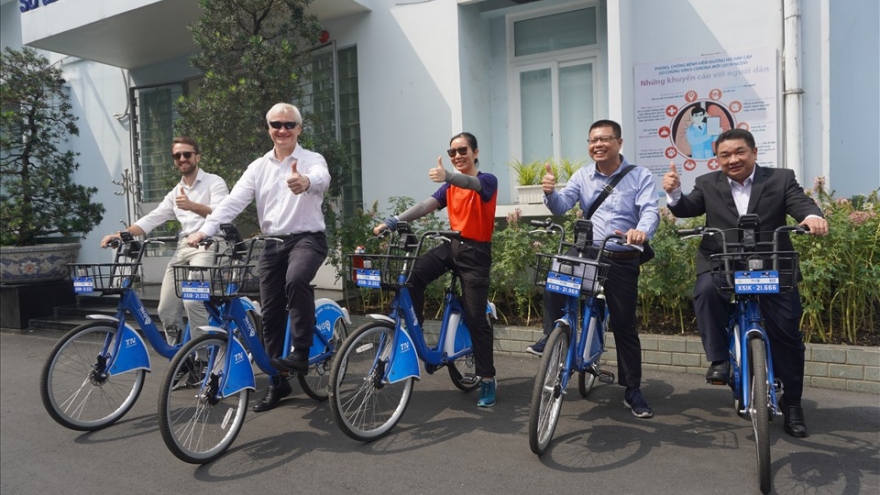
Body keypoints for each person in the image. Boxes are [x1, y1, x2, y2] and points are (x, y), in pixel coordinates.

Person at [662, 128, 829, 438]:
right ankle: (720, 360)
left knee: (787, 335)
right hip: (722, 262)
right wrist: (673, 194)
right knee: (706, 291)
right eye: (724, 155)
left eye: (739, 152)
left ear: (753, 152)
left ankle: (792, 403)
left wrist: (812, 218)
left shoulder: (779, 179)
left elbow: (800, 204)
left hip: (771, 265)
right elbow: (686, 209)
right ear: (717, 159)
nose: (732, 159)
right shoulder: (707, 183)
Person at [187, 103, 331, 413]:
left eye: (289, 124)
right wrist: (205, 230)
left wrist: (305, 182)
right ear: (268, 129)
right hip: (270, 244)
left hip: (307, 239)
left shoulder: (311, 160)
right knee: (270, 312)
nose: (283, 129)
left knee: (296, 280)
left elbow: (321, 178)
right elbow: (232, 202)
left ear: (299, 129)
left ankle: (302, 352)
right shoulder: (258, 166)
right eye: (276, 124)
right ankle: (278, 383)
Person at [528, 119, 660, 419]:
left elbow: (650, 210)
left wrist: (641, 231)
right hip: (587, 251)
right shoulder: (583, 175)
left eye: (604, 139)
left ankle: (632, 390)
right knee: (554, 279)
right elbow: (562, 206)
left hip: (621, 256)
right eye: (592, 140)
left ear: (619, 143)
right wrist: (549, 193)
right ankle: (553, 337)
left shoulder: (639, 175)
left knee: (625, 324)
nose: (597, 145)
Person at [373, 132, 499, 407]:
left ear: (475, 152)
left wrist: (448, 176)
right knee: (413, 276)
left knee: (476, 317)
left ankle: (487, 378)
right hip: (450, 246)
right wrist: (393, 221)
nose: (457, 156)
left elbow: (470, 182)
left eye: (462, 150)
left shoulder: (487, 181)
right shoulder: (448, 187)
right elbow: (424, 206)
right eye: (452, 152)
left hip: (476, 254)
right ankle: (415, 335)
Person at [100, 136, 229, 344]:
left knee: (192, 299)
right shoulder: (176, 192)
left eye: (187, 154)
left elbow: (223, 212)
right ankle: (178, 355)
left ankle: (202, 358)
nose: (182, 158)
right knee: (166, 308)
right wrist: (121, 234)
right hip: (184, 246)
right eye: (177, 155)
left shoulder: (214, 182)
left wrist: (193, 206)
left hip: (209, 243)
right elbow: (153, 218)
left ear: (198, 157)